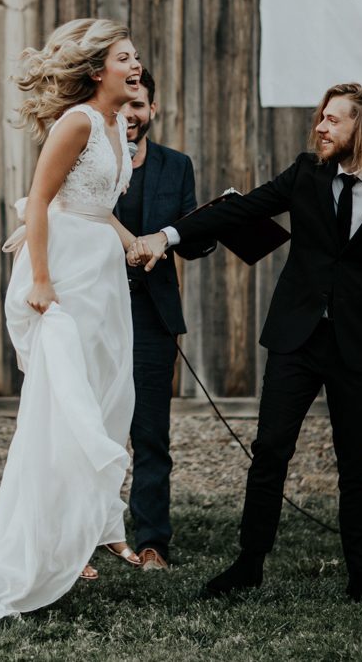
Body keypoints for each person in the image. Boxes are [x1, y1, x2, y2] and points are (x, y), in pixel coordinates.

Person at [128, 83, 362, 602]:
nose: (320, 127)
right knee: (270, 451)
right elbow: (238, 211)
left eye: (332, 120)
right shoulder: (306, 173)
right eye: (321, 118)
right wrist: (167, 237)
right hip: (295, 339)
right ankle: (249, 564)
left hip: (358, 346)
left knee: (357, 462)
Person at [0, 18, 146, 626]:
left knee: (101, 405)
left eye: (136, 58)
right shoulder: (77, 121)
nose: (136, 66)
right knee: (61, 413)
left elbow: (94, 207)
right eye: (125, 57)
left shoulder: (116, 127)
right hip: (64, 279)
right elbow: (42, 199)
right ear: (98, 69)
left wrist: (132, 242)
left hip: (102, 277)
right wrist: (41, 280)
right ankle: (28, 554)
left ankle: (71, 540)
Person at [116, 69, 215, 571]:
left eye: (139, 106)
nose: (130, 115)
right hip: (92, 308)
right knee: (88, 428)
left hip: (151, 316)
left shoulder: (177, 165)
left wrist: (206, 227)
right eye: (123, 104)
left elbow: (194, 238)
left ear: (152, 110)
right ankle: (86, 538)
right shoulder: (83, 157)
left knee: (151, 432)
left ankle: (153, 540)